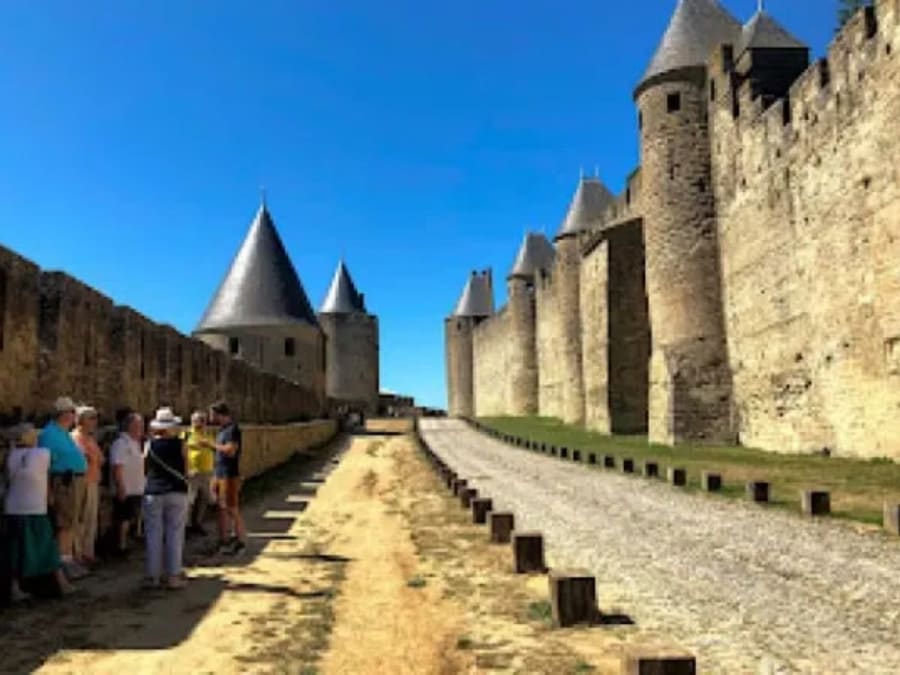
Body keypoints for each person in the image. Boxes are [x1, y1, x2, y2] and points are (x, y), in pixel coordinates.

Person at [2, 423, 75, 602]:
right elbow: (60, 462)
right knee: (47, 547)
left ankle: (15, 588)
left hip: (13, 508)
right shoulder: (42, 454)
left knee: (16, 551)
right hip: (34, 508)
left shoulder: (11, 456)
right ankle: (61, 583)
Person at [38, 396, 89, 581]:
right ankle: (62, 562)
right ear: (63, 414)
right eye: (71, 412)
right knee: (64, 522)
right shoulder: (50, 434)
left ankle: (67, 558)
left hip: (73, 480)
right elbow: (46, 463)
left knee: (70, 522)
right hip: (62, 482)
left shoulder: (63, 433)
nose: (74, 416)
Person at [143, 407, 189, 590]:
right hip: (176, 490)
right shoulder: (181, 444)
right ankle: (173, 575)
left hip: (154, 491)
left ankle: (153, 576)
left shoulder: (150, 445)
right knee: (175, 534)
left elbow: (145, 466)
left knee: (153, 534)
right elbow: (185, 468)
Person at [209, 401, 246, 555]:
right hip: (220, 473)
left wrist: (211, 445)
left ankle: (240, 540)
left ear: (220, 414)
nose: (211, 417)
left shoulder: (232, 430)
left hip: (229, 474)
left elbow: (230, 451)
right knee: (222, 507)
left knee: (232, 508)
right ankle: (223, 539)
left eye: (213, 414)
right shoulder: (222, 430)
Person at [71, 406, 104, 566]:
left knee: (91, 519)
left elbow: (99, 458)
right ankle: (78, 554)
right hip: (82, 482)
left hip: (93, 480)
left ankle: (88, 552)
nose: (94, 422)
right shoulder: (75, 438)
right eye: (91, 418)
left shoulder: (90, 439)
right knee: (81, 519)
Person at [109, 412, 145, 556]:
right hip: (126, 487)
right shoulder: (120, 444)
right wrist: (121, 486)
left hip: (136, 487)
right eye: (137, 426)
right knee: (123, 517)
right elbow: (117, 466)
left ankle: (129, 541)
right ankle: (121, 546)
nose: (140, 429)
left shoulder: (135, 443)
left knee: (131, 517)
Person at [182, 411, 215, 536]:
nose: (200, 423)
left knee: (204, 499)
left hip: (207, 471)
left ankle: (198, 523)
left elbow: (213, 449)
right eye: (197, 420)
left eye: (202, 420)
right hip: (192, 472)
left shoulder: (208, 434)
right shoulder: (186, 434)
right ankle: (186, 525)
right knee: (189, 500)